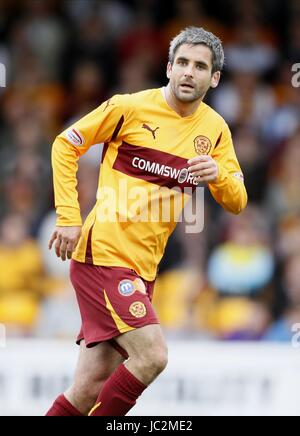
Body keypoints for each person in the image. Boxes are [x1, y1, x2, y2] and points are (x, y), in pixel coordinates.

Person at [46, 27, 247, 417]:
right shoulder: (129, 107)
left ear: (214, 77)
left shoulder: (215, 130)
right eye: (183, 63)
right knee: (152, 355)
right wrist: (69, 216)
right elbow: (65, 143)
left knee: (88, 388)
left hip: (142, 268)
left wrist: (218, 175)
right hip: (103, 255)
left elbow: (237, 200)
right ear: (169, 68)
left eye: (200, 66)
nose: (189, 72)